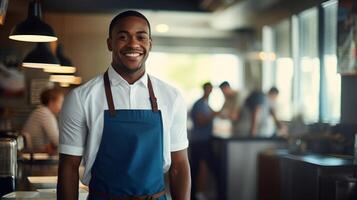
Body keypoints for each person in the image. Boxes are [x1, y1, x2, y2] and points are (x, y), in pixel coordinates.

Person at [57, 10, 191, 200]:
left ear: (150, 44)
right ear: (109, 43)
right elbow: (68, 168)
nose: (133, 44)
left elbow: (179, 166)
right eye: (122, 37)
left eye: (141, 37)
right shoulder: (80, 98)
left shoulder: (172, 97)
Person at [189, 82, 218, 200]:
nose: (209, 91)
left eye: (211, 89)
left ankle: (197, 194)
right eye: (208, 89)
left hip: (203, 140)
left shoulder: (206, 104)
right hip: (199, 141)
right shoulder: (199, 104)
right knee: (199, 168)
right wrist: (215, 114)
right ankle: (196, 194)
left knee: (200, 167)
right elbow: (201, 121)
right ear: (205, 90)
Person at [22, 88, 64, 155]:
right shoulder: (45, 113)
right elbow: (58, 141)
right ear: (51, 102)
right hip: (36, 155)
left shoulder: (40, 111)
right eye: (60, 102)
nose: (61, 106)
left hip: (35, 153)